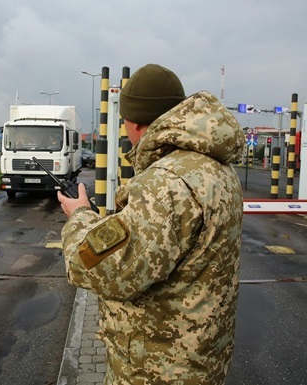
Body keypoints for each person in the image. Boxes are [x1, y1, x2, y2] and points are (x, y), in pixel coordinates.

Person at [57, 64, 246, 384]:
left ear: (133, 123)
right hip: (199, 360)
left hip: (159, 370)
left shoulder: (166, 182)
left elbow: (95, 264)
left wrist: (80, 216)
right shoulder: (214, 167)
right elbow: (158, 244)